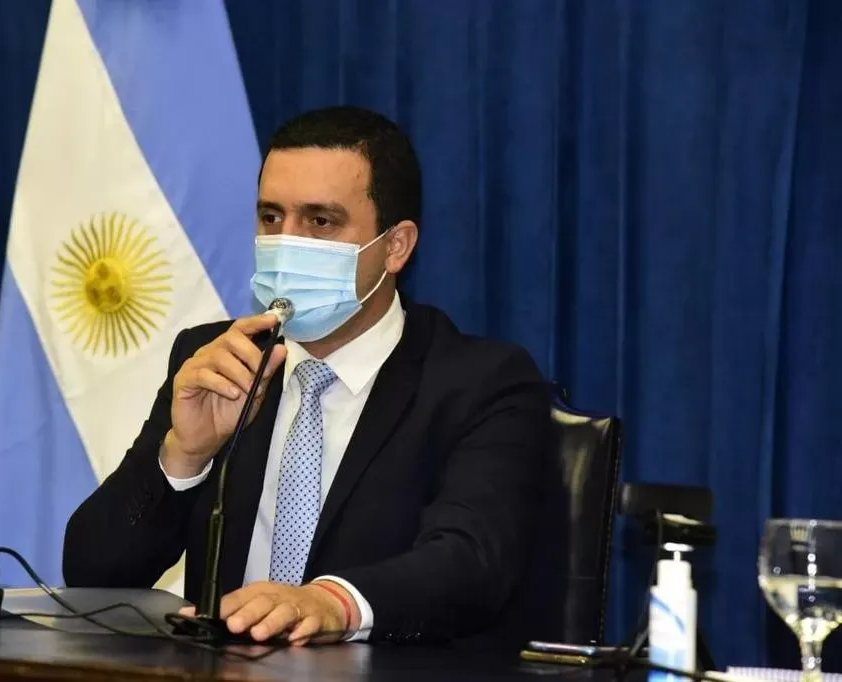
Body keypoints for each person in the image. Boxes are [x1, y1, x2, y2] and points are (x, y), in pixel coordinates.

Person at [63, 105, 564, 651]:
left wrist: (333, 603)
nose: (287, 243)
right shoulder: (221, 360)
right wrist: (184, 455)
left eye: (320, 221)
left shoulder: (482, 383)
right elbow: (93, 575)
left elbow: (471, 562)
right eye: (271, 217)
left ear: (395, 246)